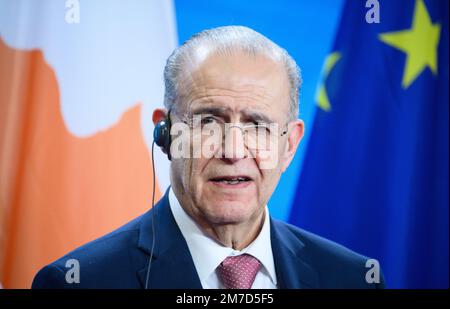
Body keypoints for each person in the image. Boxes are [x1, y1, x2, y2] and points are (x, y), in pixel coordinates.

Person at [32, 26, 384, 289]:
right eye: (208, 122)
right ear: (166, 133)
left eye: (257, 125)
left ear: (289, 145)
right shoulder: (79, 281)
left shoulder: (354, 279)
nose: (233, 151)